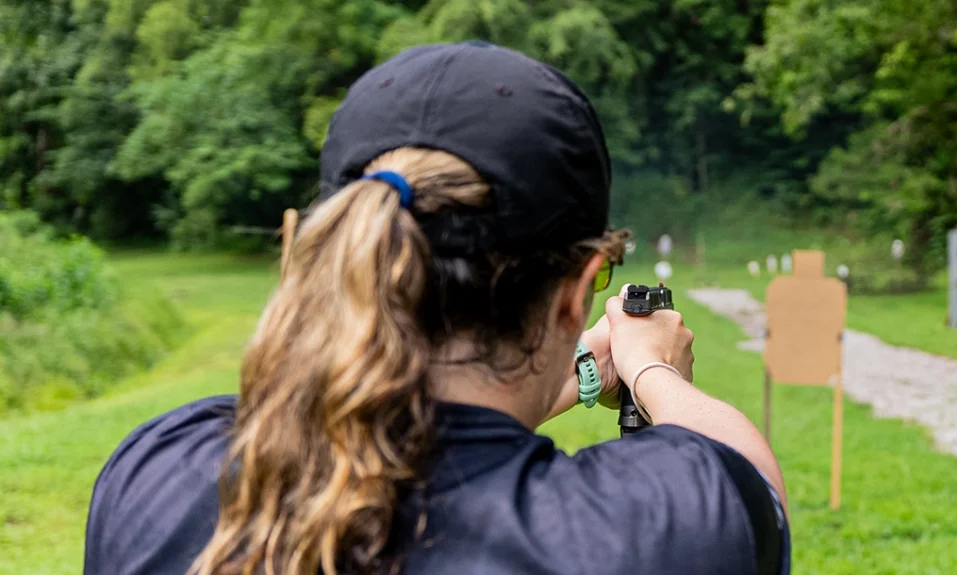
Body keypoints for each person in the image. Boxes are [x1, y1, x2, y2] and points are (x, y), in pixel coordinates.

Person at [83, 41, 790, 575]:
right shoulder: (651, 529)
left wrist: (577, 371)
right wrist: (650, 370)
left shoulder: (156, 473)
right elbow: (749, 475)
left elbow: (393, 430)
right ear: (578, 291)